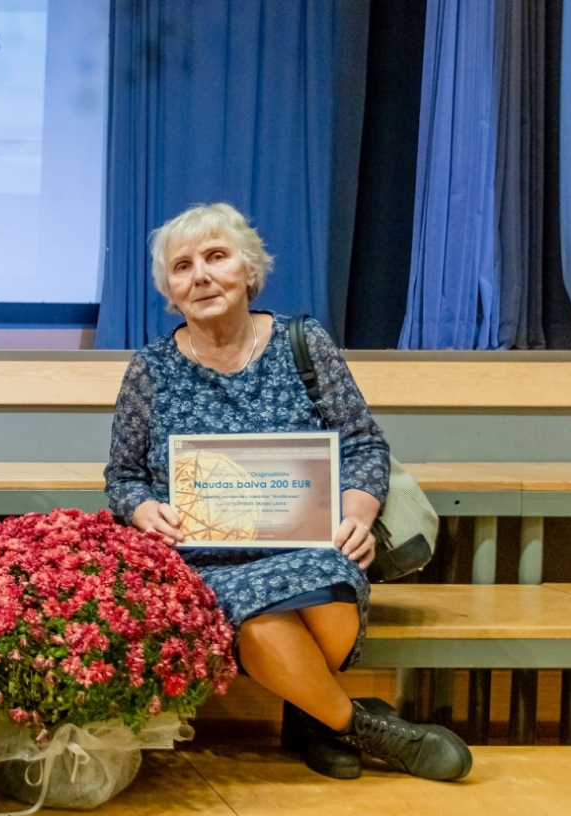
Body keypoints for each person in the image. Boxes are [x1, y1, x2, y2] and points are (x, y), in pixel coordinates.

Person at [105, 202, 471, 782]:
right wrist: (144, 509)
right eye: (182, 266)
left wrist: (357, 511)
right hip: (205, 557)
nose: (199, 275)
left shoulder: (304, 343)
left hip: (309, 543)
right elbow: (123, 477)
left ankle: (315, 715)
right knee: (258, 616)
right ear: (169, 292)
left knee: (328, 591)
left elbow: (363, 443)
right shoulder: (149, 369)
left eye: (216, 257)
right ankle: (360, 726)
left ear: (248, 270)